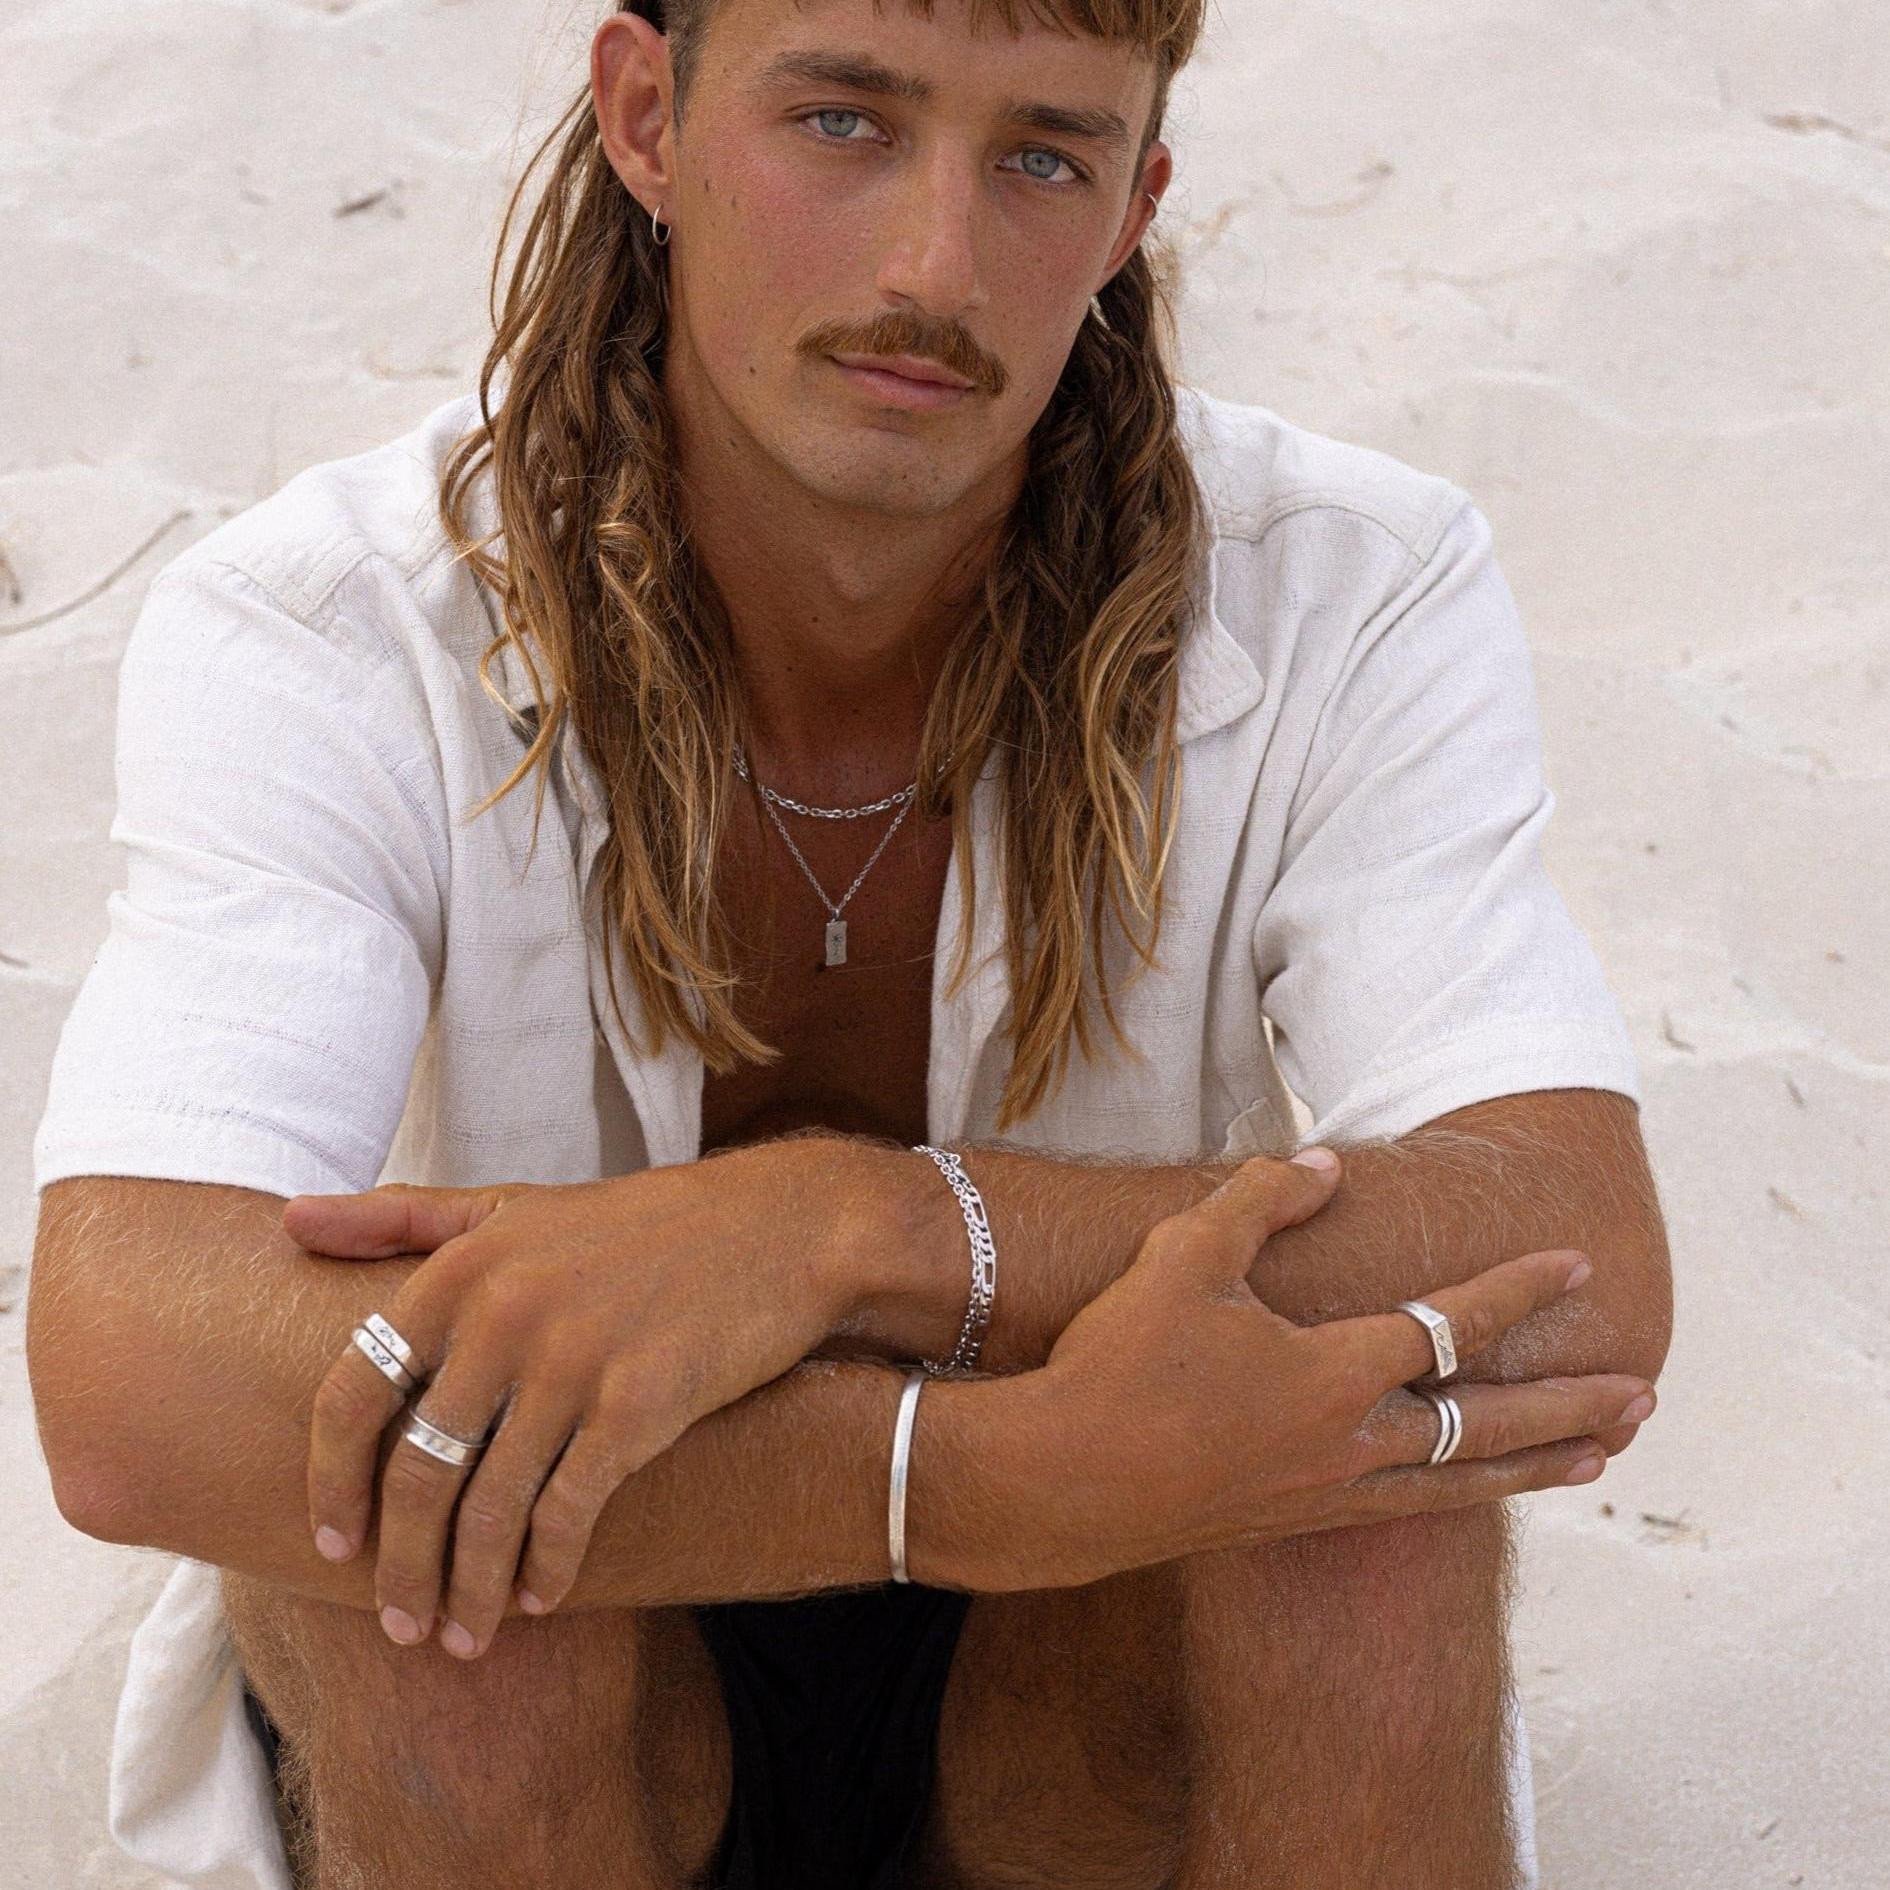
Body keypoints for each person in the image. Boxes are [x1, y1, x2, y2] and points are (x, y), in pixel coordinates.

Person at [26, 2, 1672, 1887]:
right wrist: (952, 1481)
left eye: (1041, 157)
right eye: (841, 123)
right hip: (590, 1656)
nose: (934, 266)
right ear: (648, 115)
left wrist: (854, 1229)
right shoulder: (332, 626)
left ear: (1135, 205)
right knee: (446, 1564)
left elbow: (1574, 1256)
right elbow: (132, 1379)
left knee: (1359, 1491)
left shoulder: (1349, 587)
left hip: (1092, 1676)